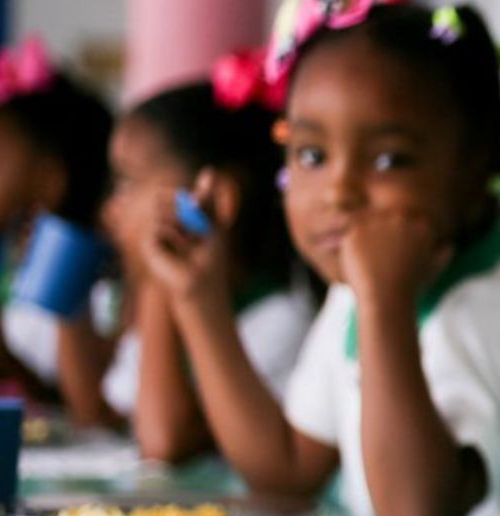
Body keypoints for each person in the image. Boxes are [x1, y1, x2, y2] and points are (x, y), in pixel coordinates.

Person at [139, 0, 500, 516]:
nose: (339, 191)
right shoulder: (355, 295)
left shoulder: (493, 310)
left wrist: (384, 302)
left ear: (477, 173)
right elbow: (286, 472)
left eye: (389, 159)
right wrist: (199, 302)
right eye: (311, 155)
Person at [69, 50, 316, 458]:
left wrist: (158, 285)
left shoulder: (278, 322)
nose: (110, 209)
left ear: (216, 199)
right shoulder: (159, 316)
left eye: (128, 185)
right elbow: (107, 415)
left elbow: (166, 441)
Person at [0, 37, 112, 402]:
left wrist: (2, 358)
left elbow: (82, 409)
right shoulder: (17, 260)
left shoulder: (96, 278)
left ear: (48, 180)